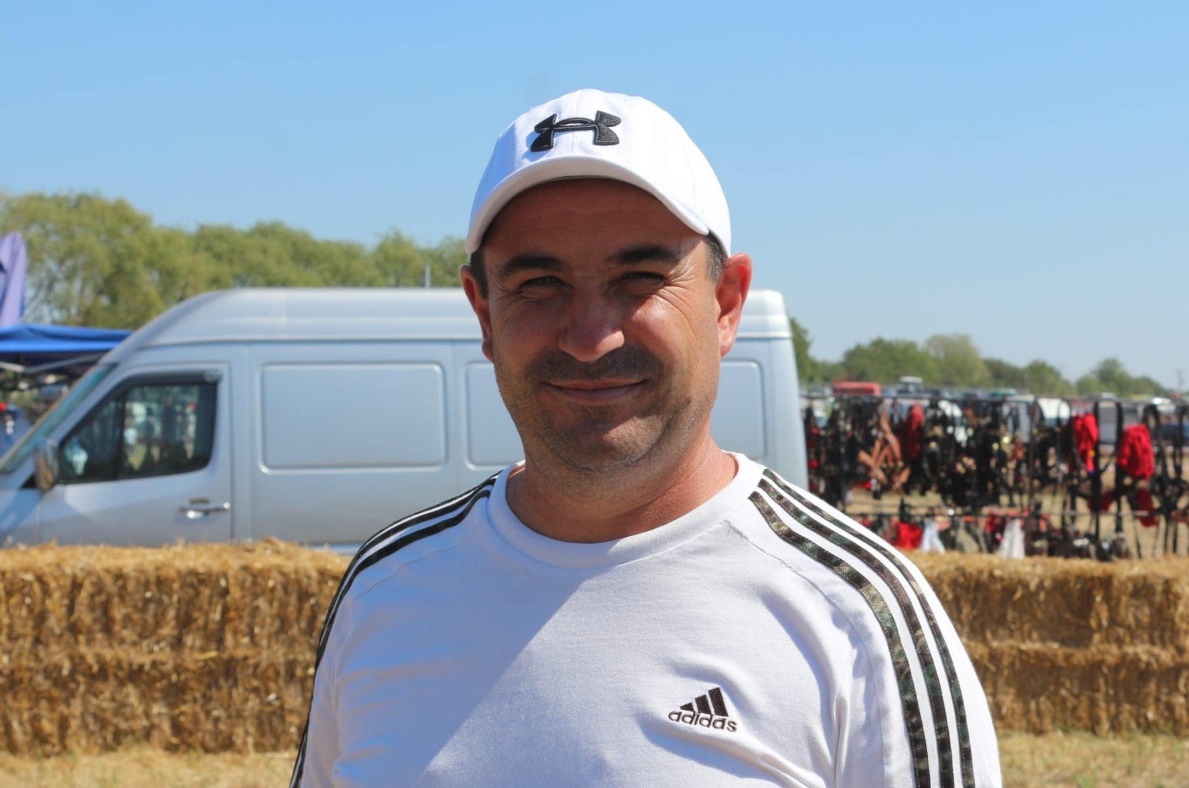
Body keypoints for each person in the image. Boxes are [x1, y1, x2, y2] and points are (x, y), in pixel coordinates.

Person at [291, 89, 1001, 787]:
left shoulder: (859, 617)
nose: (590, 336)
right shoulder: (384, 593)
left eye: (638, 279)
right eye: (539, 283)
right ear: (484, 314)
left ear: (726, 305)